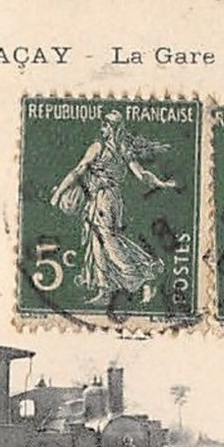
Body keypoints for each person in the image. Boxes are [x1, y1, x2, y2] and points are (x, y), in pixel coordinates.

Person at [49, 109, 177, 305]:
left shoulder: (98, 147)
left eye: (105, 125)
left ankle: (143, 277)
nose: (103, 129)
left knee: (108, 242)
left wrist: (58, 193)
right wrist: (161, 183)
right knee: (98, 242)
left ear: (110, 127)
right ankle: (104, 289)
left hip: (102, 199)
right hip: (112, 200)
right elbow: (142, 174)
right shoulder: (124, 149)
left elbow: (78, 171)